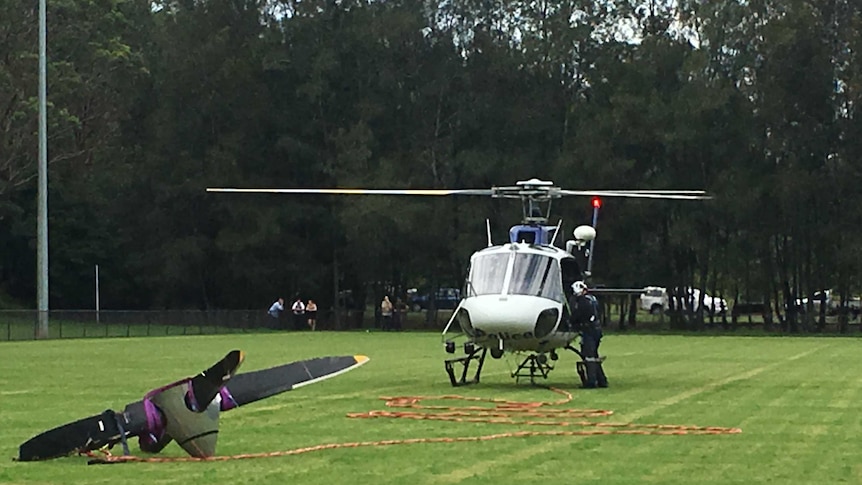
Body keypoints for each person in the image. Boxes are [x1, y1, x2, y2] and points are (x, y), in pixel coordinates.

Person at [569, 281, 608, 388]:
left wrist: (572, 322)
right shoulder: (593, 299)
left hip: (589, 331)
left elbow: (578, 315)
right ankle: (602, 380)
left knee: (589, 356)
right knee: (594, 355)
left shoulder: (583, 301)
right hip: (597, 330)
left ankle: (591, 382)